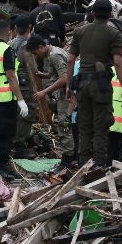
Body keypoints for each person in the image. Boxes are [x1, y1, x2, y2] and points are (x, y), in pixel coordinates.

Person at [66, 0, 122, 167]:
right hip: (101, 86)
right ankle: (99, 165)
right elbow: (117, 62)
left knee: (84, 126)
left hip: (82, 84)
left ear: (92, 13)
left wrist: (69, 86)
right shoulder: (114, 34)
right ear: (110, 15)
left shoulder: (79, 31)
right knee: (101, 127)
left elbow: (71, 60)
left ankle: (83, 164)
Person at [0, 19, 29, 180]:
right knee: (3, 135)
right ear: (10, 31)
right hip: (4, 99)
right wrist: (21, 99)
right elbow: (11, 75)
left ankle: (1, 165)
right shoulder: (6, 50)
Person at [25, 35, 75, 170]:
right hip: (68, 95)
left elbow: (64, 78)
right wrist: (46, 75)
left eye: (36, 53)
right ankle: (72, 154)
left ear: (41, 47)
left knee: (64, 125)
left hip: (66, 96)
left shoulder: (54, 55)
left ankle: (68, 158)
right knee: (67, 123)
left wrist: (44, 92)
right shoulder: (55, 51)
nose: (37, 56)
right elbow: (60, 73)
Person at [9, 16, 37, 159]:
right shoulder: (27, 45)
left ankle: (13, 142)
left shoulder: (10, 43)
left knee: (15, 112)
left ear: (15, 29)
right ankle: (19, 146)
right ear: (30, 27)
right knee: (27, 111)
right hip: (24, 82)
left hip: (10, 82)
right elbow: (32, 67)